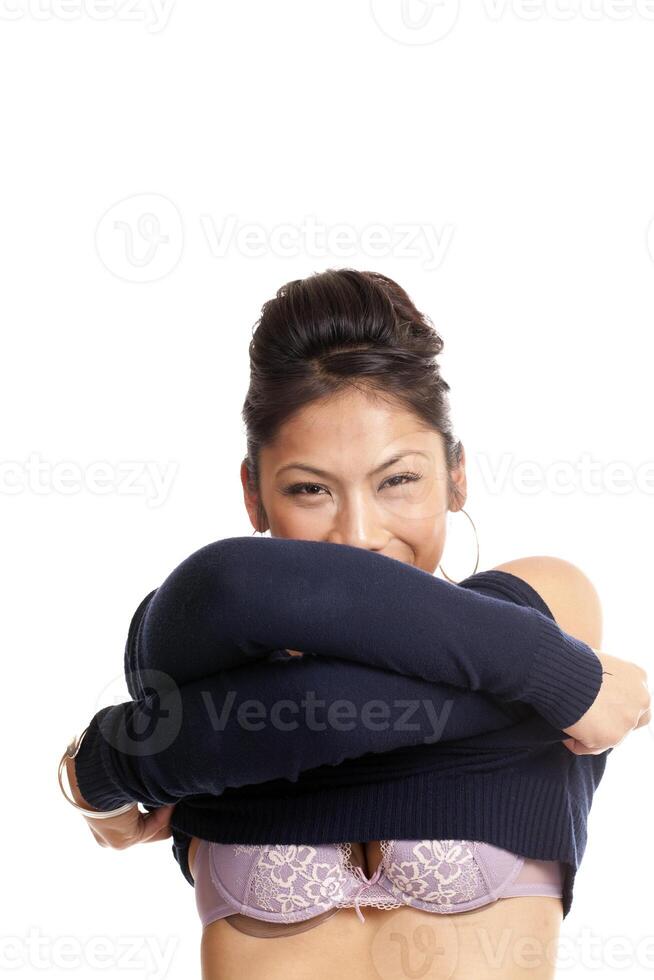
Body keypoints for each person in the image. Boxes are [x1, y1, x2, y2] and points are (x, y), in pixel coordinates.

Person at [60, 269, 650, 980]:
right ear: (254, 496)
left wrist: (121, 761)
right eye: (310, 490)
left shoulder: (545, 598)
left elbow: (315, 714)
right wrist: (552, 677)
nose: (360, 535)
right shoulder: (200, 651)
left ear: (456, 476)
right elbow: (239, 596)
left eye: (397, 479)